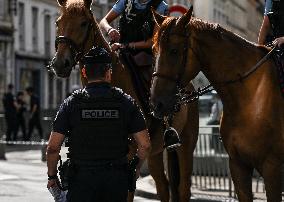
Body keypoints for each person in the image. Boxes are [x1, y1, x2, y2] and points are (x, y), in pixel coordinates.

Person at [46, 46, 151, 202]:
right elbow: (145, 145)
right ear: (109, 72)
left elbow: (53, 148)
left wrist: (52, 176)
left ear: (84, 72)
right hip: (116, 180)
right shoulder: (126, 102)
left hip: (81, 181)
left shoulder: (71, 103)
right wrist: (135, 168)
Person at [100, 0, 181, 150]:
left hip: (146, 56)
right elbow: (103, 21)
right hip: (122, 52)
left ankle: (167, 127)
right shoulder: (125, 2)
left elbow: (154, 41)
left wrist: (127, 45)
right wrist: (109, 29)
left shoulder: (161, 7)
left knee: (159, 85)